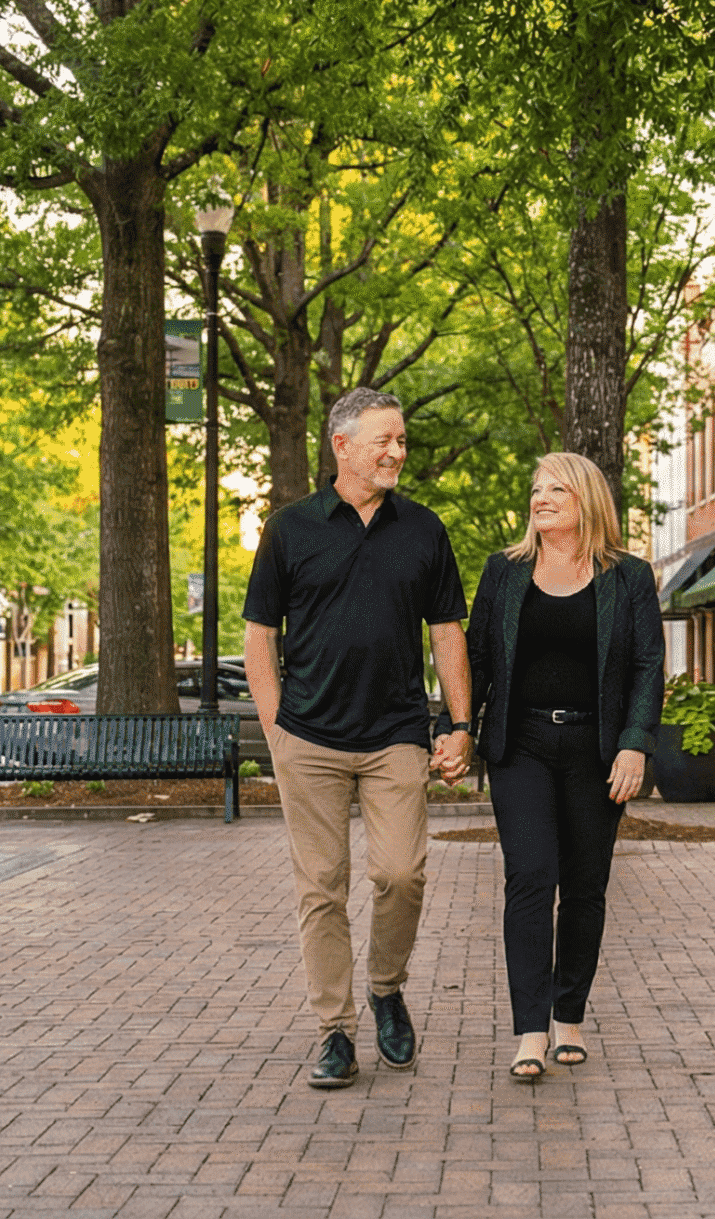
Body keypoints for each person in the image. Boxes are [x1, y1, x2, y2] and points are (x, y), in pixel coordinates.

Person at [243, 387, 473, 1090]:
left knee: (400, 873)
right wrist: (278, 729)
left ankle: (385, 987)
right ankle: (335, 1030)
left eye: (402, 440)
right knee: (321, 886)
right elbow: (258, 637)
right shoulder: (289, 529)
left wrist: (459, 724)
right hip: (308, 736)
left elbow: (446, 633)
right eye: (385, 440)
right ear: (343, 445)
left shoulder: (424, 529)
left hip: (395, 733)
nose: (398, 452)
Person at [454, 452, 664, 1082]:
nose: (539, 499)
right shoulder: (505, 572)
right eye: (535, 489)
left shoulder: (628, 577)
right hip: (521, 746)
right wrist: (458, 729)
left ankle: (568, 1015)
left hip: (595, 751)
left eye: (555, 489)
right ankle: (530, 1029)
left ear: (586, 502)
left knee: (584, 884)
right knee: (530, 876)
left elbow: (648, 665)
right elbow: (478, 660)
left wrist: (636, 742)